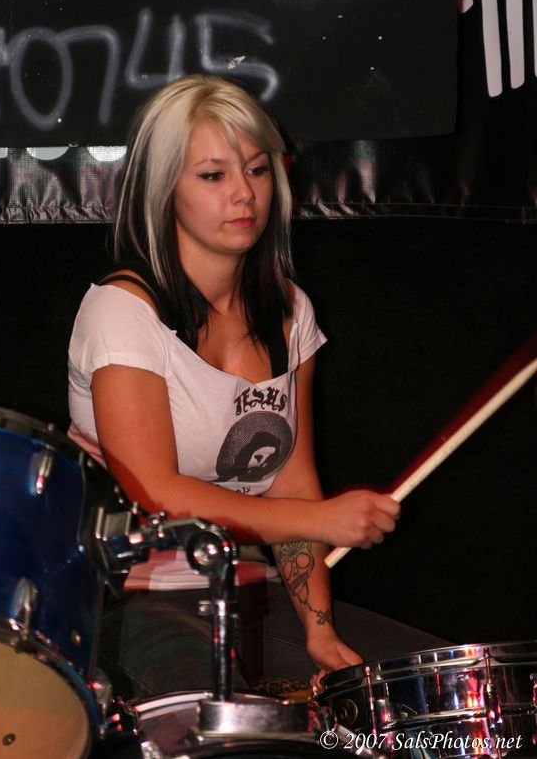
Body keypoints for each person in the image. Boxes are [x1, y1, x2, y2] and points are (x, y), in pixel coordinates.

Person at [68, 74, 446, 700]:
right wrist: (322, 518)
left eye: (257, 169)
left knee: (425, 691)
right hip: (131, 600)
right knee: (218, 728)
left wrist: (319, 629)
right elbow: (157, 496)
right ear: (164, 190)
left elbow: (292, 486)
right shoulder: (122, 312)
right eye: (212, 175)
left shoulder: (290, 313)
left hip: (250, 593)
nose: (244, 193)